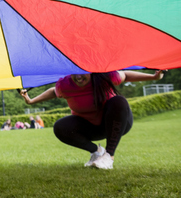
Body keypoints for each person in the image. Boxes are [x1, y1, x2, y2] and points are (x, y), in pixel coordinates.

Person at [19, 70, 165, 169]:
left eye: (83, 73)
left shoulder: (105, 76)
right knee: (60, 127)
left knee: (119, 101)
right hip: (90, 128)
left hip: (116, 123)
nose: (79, 77)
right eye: (74, 73)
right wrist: (31, 101)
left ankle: (109, 156)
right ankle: (97, 151)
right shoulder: (65, 84)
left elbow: (125, 75)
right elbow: (53, 91)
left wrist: (154, 77)